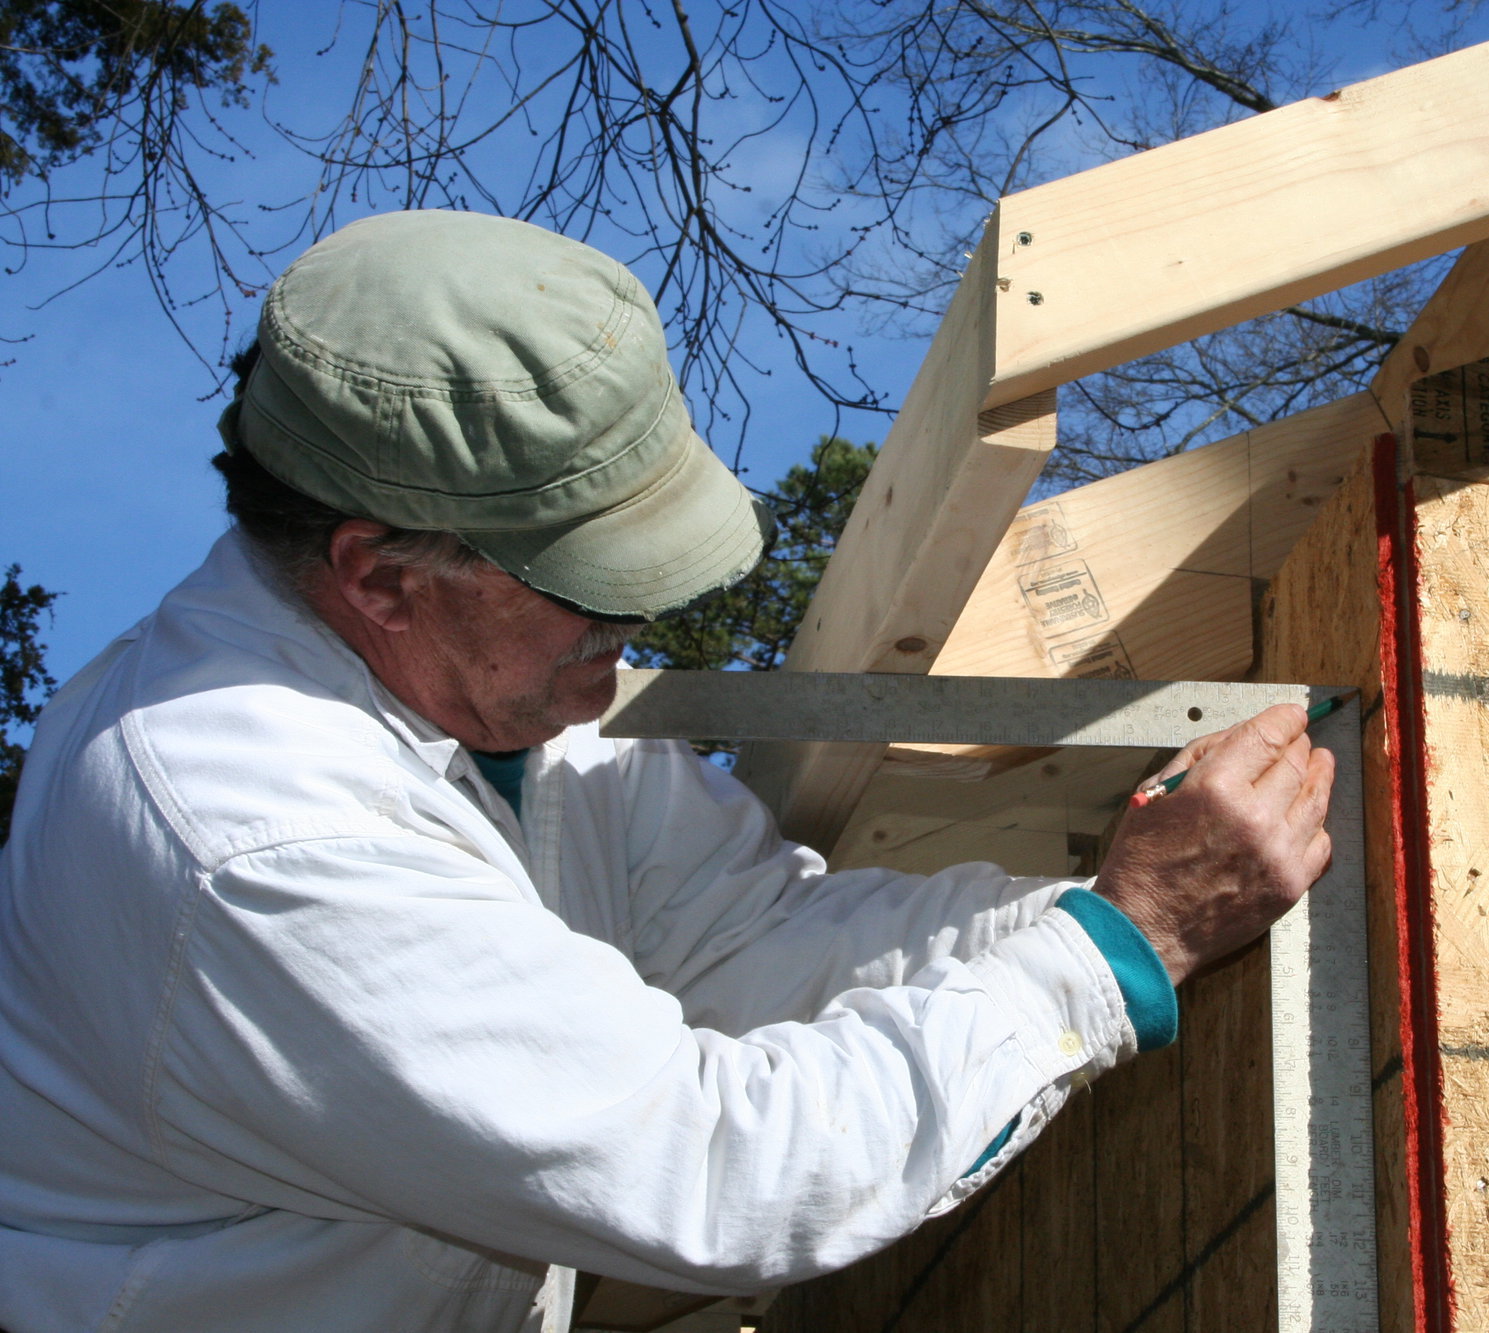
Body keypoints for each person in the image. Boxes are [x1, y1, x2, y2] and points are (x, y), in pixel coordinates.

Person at [0, 211, 1334, 1333]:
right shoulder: (255, 837)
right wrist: (1116, 949)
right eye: (589, 587)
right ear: (379, 574)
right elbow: (720, 1168)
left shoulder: (523, 708)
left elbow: (759, 942)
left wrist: (1094, 905)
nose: (629, 629)